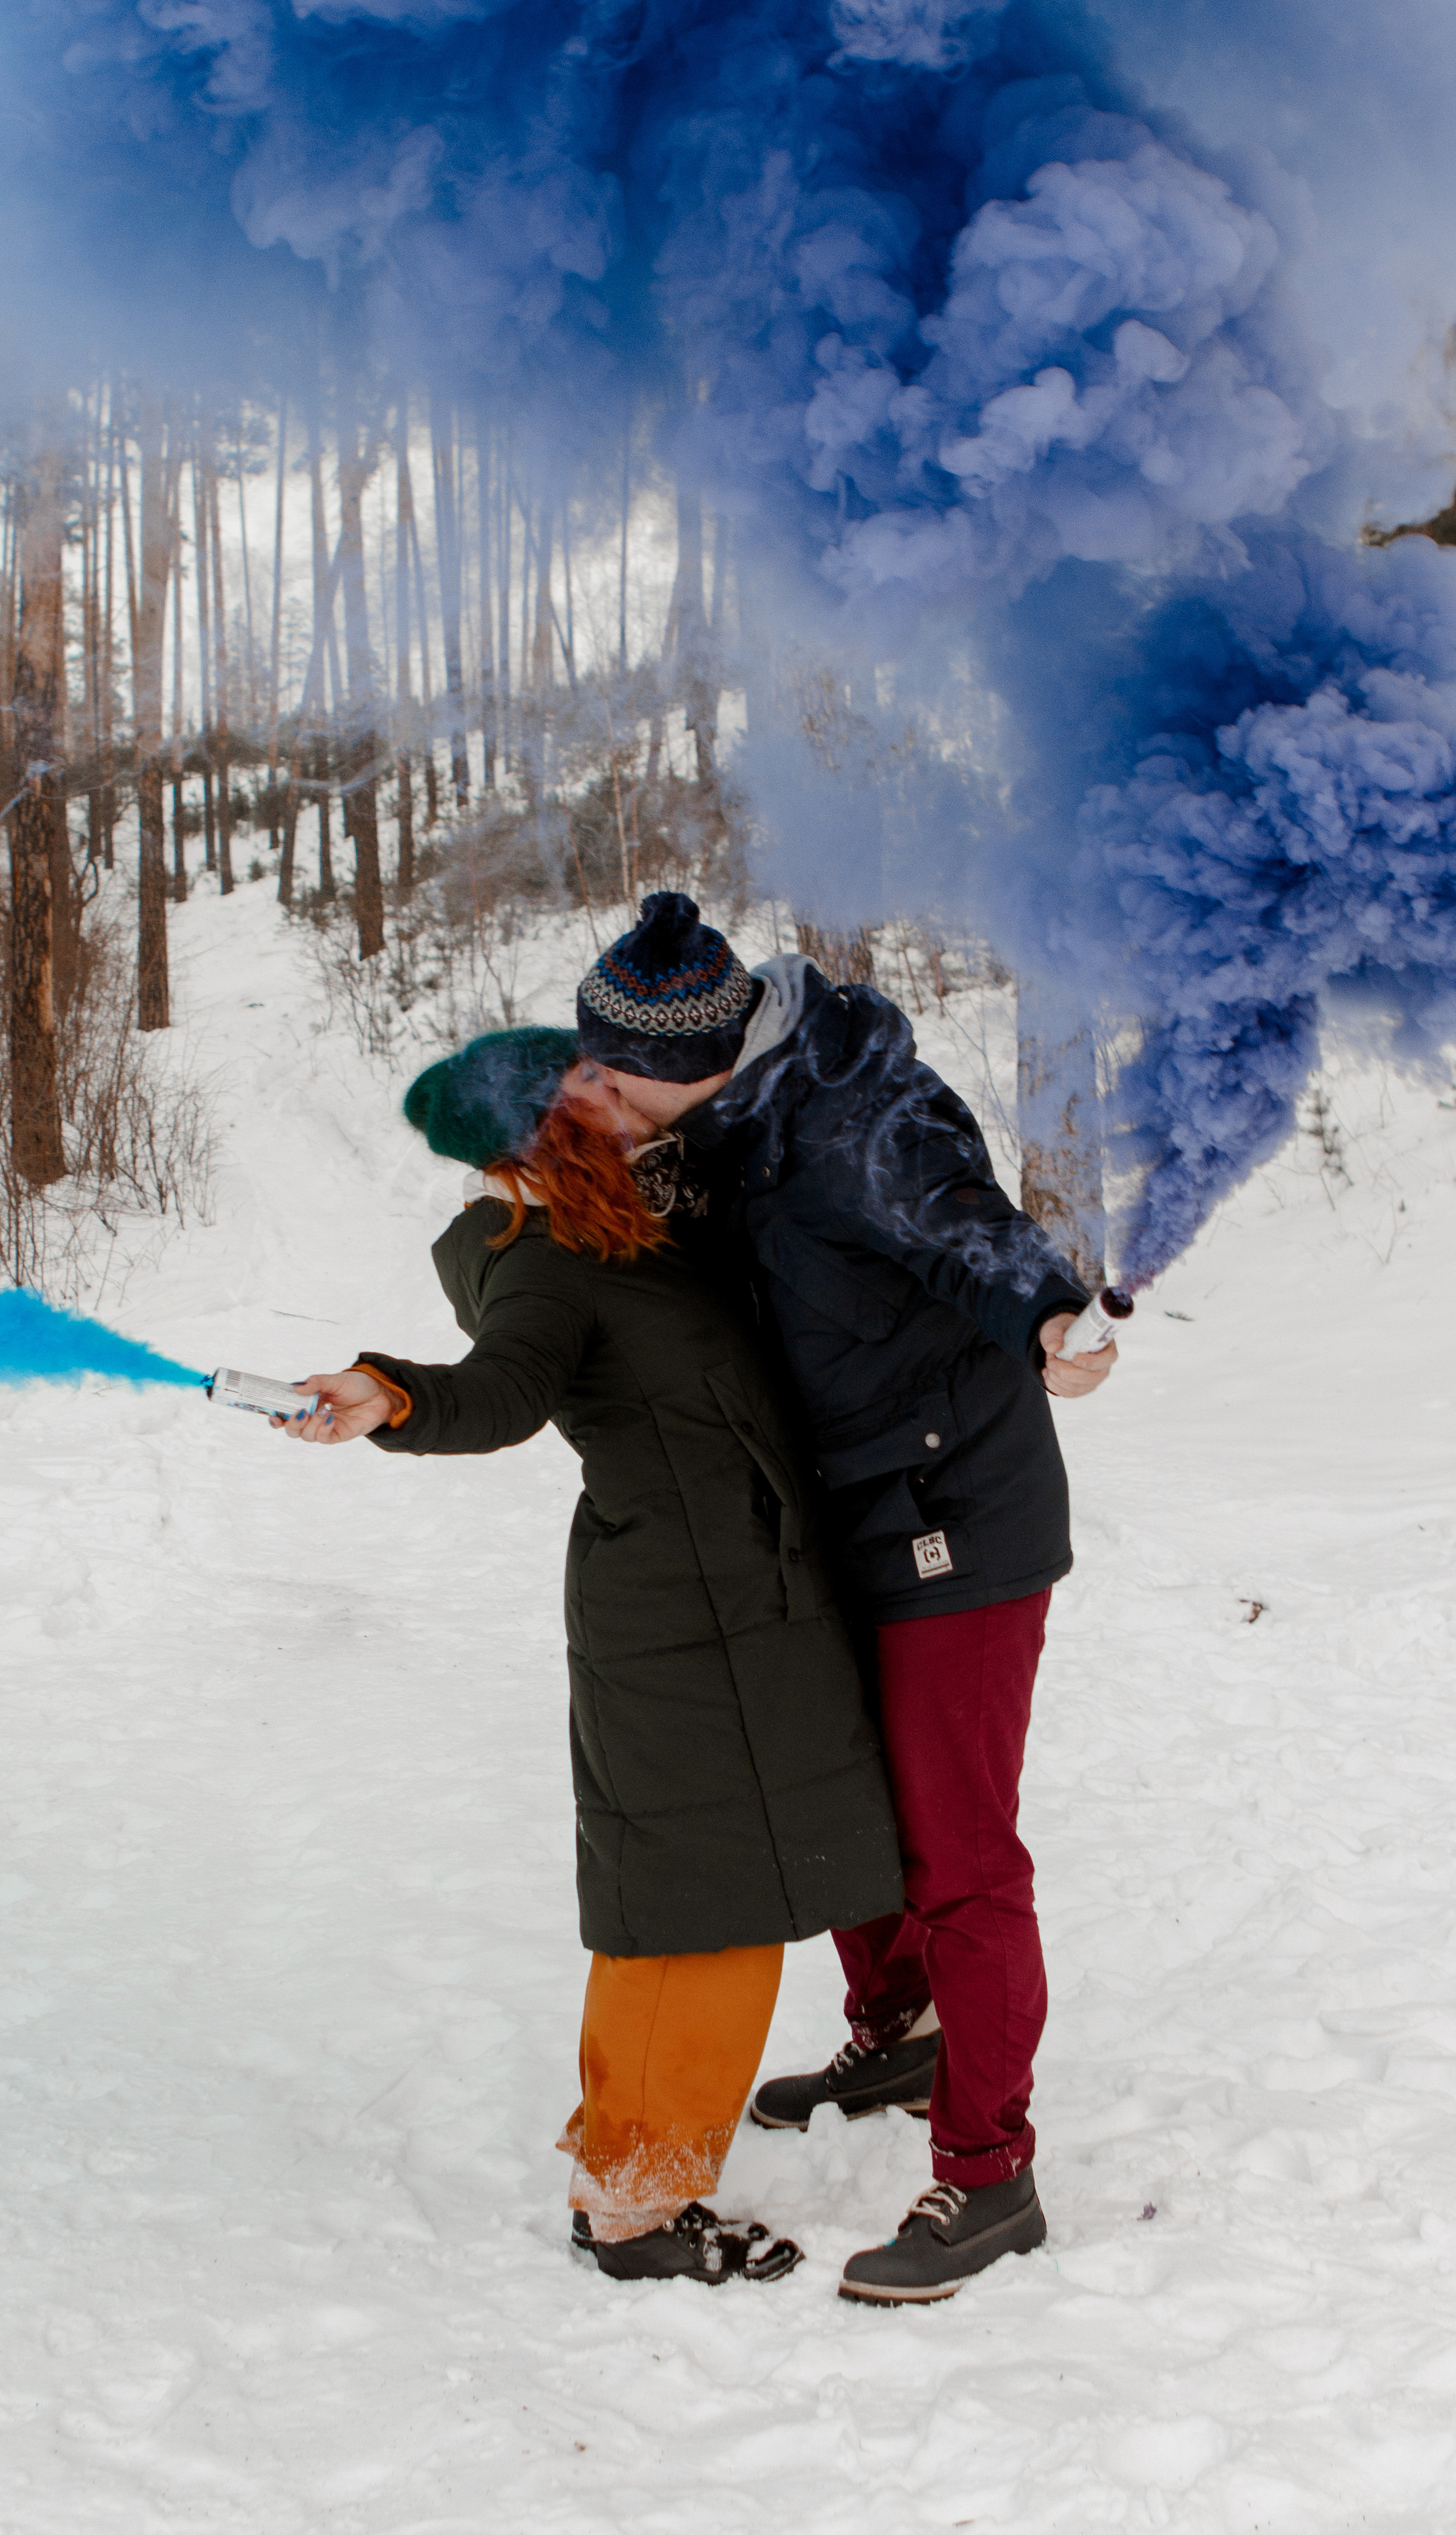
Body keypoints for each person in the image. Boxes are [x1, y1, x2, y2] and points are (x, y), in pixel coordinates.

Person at [276, 1025, 906, 2286]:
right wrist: (391, 1392)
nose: (603, 1086)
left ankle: (633, 2155)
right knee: (696, 1918)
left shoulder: (617, 1217)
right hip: (678, 1616)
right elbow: (500, 1392)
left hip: (740, 1594)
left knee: (728, 1904)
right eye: (573, 1081)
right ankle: (632, 2204)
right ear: (531, 1129)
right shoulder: (541, 1255)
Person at [571, 893, 1117, 2305]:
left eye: (610, 1069)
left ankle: (990, 2171)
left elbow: (959, 1224)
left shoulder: (852, 1111)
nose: (594, 1088)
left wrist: (1048, 1316)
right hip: (838, 1509)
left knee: (956, 1853)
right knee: (832, 1793)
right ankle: (898, 2021)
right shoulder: (714, 1128)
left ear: (691, 1057)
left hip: (952, 1514)